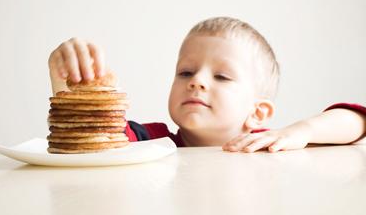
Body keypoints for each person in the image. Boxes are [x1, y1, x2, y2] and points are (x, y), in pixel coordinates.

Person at [48, 17, 366, 152]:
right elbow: (96, 137)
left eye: (222, 76)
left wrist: (302, 132)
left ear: (259, 112)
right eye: (185, 72)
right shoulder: (154, 142)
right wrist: (72, 84)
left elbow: (358, 120)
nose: (197, 81)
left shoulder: (270, 144)